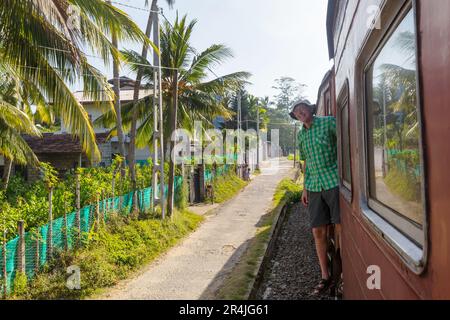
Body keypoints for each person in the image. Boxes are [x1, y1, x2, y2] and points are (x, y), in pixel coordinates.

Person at [290, 99, 341, 295]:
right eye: (296, 112)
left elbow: (344, 145)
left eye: (302, 108)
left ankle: (343, 272)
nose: (300, 112)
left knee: (340, 228)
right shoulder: (301, 135)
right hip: (313, 187)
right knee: (317, 232)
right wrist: (304, 189)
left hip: (333, 181)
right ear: (295, 117)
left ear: (310, 109)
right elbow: (306, 163)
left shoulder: (329, 122)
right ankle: (325, 276)